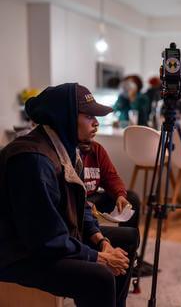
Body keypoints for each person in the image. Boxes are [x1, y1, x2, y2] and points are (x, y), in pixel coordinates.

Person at [0, 83, 139, 307]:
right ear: (65, 116)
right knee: (99, 276)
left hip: (52, 237)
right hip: (19, 254)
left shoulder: (67, 149)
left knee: (127, 239)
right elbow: (46, 240)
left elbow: (80, 204)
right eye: (89, 116)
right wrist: (99, 258)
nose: (96, 122)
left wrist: (101, 241)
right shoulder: (33, 161)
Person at [78, 93, 141, 228]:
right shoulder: (65, 153)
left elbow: (111, 177)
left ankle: (126, 247)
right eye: (89, 116)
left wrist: (120, 195)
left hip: (93, 198)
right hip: (76, 204)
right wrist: (87, 206)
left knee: (132, 199)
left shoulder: (96, 149)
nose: (96, 123)